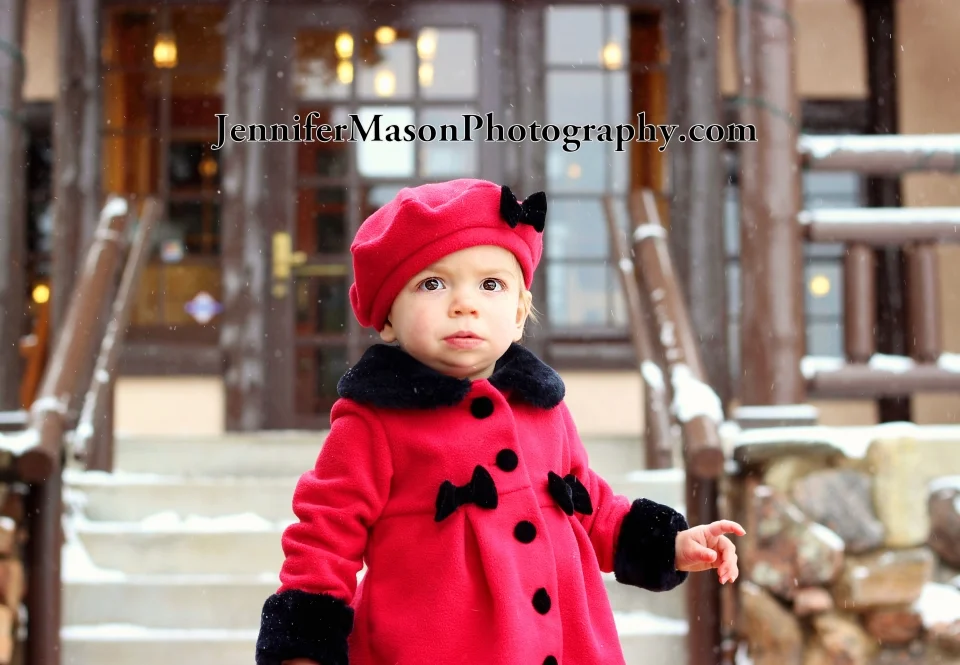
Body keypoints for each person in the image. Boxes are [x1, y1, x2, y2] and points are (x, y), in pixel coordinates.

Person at [255, 178, 745, 665]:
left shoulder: (543, 407)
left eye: (491, 284)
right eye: (433, 283)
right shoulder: (373, 423)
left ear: (518, 312)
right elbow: (324, 538)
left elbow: (589, 505)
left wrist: (670, 543)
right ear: (386, 317)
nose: (464, 303)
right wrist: (304, 649)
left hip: (567, 645)